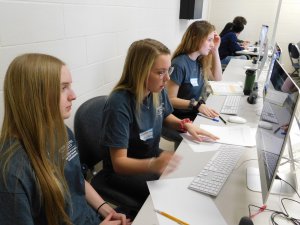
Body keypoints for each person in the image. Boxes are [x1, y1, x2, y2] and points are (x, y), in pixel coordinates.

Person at [0, 53, 130, 225]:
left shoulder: (60, 130)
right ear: (33, 95)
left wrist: (106, 209)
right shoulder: (12, 172)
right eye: (63, 88)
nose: (73, 95)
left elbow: (76, 179)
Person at [100, 39, 219, 210]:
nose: (168, 78)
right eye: (160, 72)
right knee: (173, 200)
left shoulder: (157, 90)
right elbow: (119, 163)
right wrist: (152, 165)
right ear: (140, 72)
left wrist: (185, 125)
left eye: (168, 70)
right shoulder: (119, 104)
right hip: (125, 171)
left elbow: (164, 115)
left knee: (190, 178)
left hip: (151, 156)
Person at [166, 20, 222, 121]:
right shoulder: (179, 64)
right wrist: (196, 105)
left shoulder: (199, 60)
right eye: (209, 40)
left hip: (194, 114)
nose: (212, 44)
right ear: (196, 39)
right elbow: (170, 99)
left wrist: (215, 51)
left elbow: (217, 80)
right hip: (180, 119)